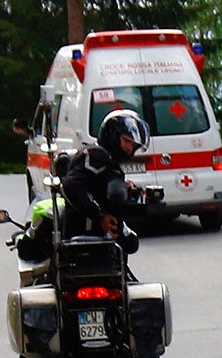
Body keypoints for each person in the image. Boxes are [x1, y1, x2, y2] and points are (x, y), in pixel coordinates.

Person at [18, 108, 150, 264]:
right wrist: (100, 216)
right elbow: (72, 185)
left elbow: (98, 187)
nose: (129, 148)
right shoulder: (97, 155)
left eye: (133, 145)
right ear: (112, 135)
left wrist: (126, 190)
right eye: (126, 141)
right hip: (80, 228)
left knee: (131, 244)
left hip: (95, 231)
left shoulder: (107, 161)